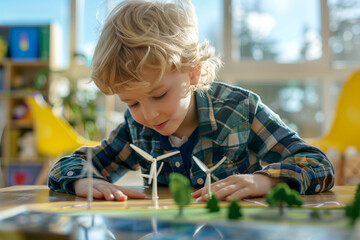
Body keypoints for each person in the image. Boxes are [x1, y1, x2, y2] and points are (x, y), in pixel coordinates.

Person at [48, 0, 334, 202]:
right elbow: (70, 165)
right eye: (132, 103)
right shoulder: (135, 129)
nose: (147, 114)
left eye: (159, 95)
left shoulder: (241, 110)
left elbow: (317, 164)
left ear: (193, 72)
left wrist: (266, 181)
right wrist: (83, 180)